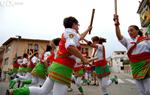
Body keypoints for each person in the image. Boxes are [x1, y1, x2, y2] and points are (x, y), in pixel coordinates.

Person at [7, 16, 92, 95]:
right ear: (74, 24)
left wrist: (88, 29)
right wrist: (83, 58)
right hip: (63, 69)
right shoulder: (71, 33)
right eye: (78, 25)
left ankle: (14, 92)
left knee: (43, 90)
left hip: (57, 67)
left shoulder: (70, 33)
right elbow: (70, 46)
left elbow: (79, 37)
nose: (79, 27)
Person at [113, 14, 150, 95]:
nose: (130, 32)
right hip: (135, 67)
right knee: (141, 91)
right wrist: (117, 25)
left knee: (148, 91)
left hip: (146, 66)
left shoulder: (146, 40)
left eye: (132, 30)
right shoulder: (128, 41)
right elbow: (119, 36)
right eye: (128, 31)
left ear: (137, 30)